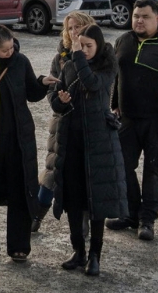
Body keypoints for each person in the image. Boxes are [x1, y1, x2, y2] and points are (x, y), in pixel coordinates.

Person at [110, 0, 158, 240]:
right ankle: (131, 214)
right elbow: (117, 75)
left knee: (153, 171)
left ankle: (147, 220)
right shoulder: (123, 41)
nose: (139, 21)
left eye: (145, 16)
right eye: (136, 16)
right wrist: (114, 104)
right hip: (128, 119)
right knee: (122, 167)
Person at [48, 23, 122, 273]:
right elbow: (56, 101)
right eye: (82, 46)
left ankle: (95, 256)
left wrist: (77, 54)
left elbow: (92, 84)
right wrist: (60, 100)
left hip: (99, 143)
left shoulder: (107, 66)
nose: (85, 50)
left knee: (96, 202)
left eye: (89, 46)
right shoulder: (69, 66)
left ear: (98, 45)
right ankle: (78, 251)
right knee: (73, 198)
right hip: (72, 142)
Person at [0, 24, 45, 262]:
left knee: (21, 191)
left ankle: (19, 246)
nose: (11, 52)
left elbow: (32, 92)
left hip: (19, 138)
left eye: (12, 47)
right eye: (5, 50)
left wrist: (43, 83)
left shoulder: (20, 61)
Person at [40, 11, 97, 222]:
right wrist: (58, 102)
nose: (74, 32)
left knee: (83, 174)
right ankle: (38, 212)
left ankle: (83, 220)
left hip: (87, 122)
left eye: (78, 27)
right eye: (70, 28)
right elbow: (51, 88)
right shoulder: (60, 57)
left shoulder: (96, 54)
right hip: (62, 120)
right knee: (52, 168)